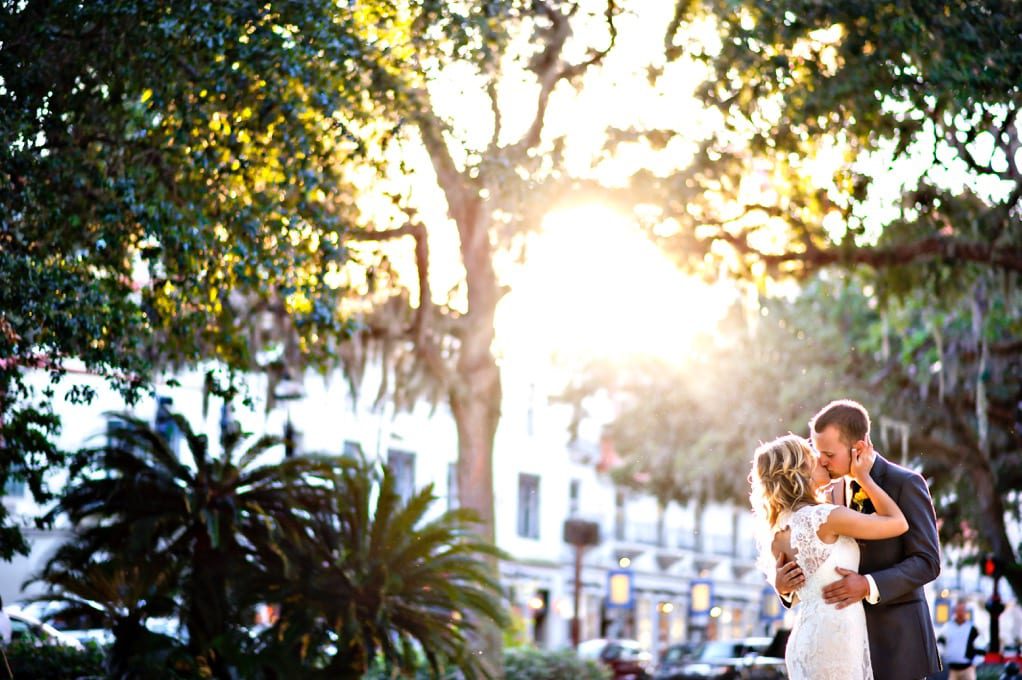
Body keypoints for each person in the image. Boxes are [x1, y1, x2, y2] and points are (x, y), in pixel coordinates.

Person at [775, 399, 943, 680]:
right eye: (818, 452)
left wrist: (868, 585)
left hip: (894, 641)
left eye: (828, 453)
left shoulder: (905, 484)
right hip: (841, 645)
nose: (821, 461)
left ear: (859, 447)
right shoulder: (825, 492)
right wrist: (785, 588)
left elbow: (928, 562)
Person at [751, 433, 908, 679]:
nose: (823, 461)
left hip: (807, 639)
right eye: (814, 457)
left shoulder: (778, 532)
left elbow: (795, 590)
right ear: (799, 470)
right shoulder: (826, 517)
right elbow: (897, 523)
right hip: (835, 639)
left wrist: (781, 588)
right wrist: (864, 478)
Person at [938, 600, 983, 680]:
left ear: (966, 612)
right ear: (955, 611)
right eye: (958, 610)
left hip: (968, 669)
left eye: (962, 610)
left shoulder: (972, 628)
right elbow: (940, 644)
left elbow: (980, 646)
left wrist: (976, 662)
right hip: (952, 669)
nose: (960, 613)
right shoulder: (947, 627)